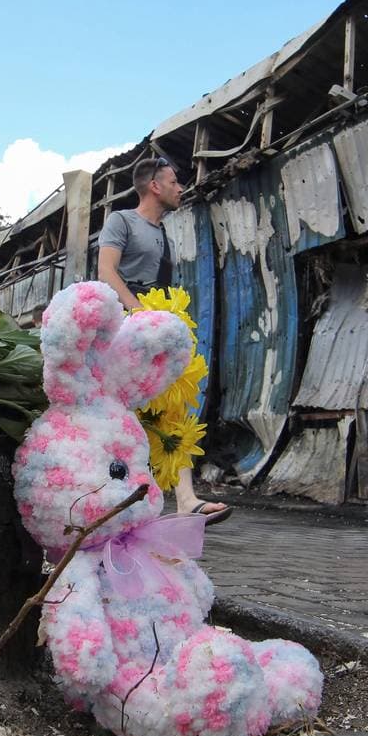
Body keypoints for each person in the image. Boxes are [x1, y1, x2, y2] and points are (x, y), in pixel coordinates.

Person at [97, 155, 231, 524]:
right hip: (130, 324)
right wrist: (137, 311)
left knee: (174, 407)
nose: (180, 188)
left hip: (159, 324)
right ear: (155, 186)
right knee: (125, 412)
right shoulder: (121, 220)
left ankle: (186, 499)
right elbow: (106, 270)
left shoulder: (162, 233)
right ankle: (112, 498)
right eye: (174, 182)